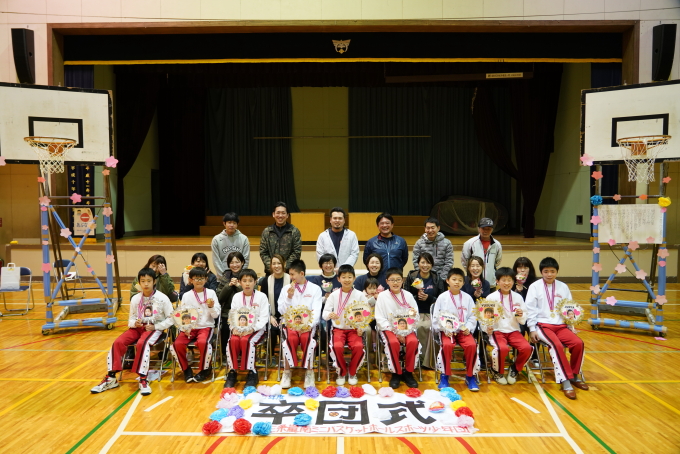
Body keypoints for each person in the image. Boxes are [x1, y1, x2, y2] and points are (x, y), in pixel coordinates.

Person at [91, 268, 174, 396]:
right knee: (118, 342)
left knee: (142, 343)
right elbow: (131, 318)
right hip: (137, 328)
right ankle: (111, 377)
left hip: (153, 328)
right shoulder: (135, 298)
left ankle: (143, 378)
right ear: (139, 282)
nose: (146, 284)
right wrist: (134, 323)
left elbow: (171, 318)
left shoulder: (162, 298)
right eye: (143, 281)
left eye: (149, 281)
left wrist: (156, 326)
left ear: (154, 281)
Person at [526, 257, 588, 400]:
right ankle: (565, 381)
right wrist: (532, 329)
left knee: (578, 343)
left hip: (561, 326)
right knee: (556, 346)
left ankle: (574, 375)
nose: (549, 274)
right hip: (542, 325)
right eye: (546, 271)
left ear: (557, 272)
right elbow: (530, 309)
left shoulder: (563, 287)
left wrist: (571, 325)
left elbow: (569, 307)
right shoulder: (534, 287)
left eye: (552, 271)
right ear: (541, 272)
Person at [432, 268, 480, 391]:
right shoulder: (442, 298)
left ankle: (470, 376)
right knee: (447, 345)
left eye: (460, 280)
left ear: (463, 283)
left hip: (463, 330)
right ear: (448, 281)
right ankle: (444, 375)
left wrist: (468, 327)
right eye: (454, 279)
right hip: (448, 331)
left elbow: (473, 316)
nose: (457, 282)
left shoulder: (468, 298)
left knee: (472, 345)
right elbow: (436, 317)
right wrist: (444, 328)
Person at [170, 267, 220, 383]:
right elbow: (183, 314)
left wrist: (211, 307)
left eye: (201, 278)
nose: (199, 281)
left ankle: (205, 369)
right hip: (190, 327)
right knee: (177, 344)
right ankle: (186, 369)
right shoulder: (186, 295)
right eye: (196, 278)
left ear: (206, 279)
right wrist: (185, 328)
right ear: (191, 280)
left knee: (203, 343)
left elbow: (216, 315)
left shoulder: (211, 293)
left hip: (206, 326)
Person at [277, 259, 322, 388]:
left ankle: (309, 372)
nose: (290, 277)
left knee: (306, 338)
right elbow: (281, 311)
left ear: (301, 273)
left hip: (307, 326)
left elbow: (317, 310)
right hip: (290, 324)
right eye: (290, 274)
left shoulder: (315, 289)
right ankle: (287, 371)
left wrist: (309, 325)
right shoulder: (286, 289)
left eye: (292, 274)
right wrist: (289, 297)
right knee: (290, 338)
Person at [485, 267, 533, 385]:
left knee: (527, 348)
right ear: (497, 281)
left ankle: (515, 368)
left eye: (509, 280)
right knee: (502, 348)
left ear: (514, 281)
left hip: (513, 330)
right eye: (503, 280)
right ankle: (496, 371)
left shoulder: (518, 297)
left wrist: (521, 315)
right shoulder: (491, 297)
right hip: (497, 330)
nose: (506, 283)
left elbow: (523, 319)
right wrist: (488, 327)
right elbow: (485, 317)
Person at [323, 264, 369, 386]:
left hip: (354, 329)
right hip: (338, 329)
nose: (347, 280)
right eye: (343, 277)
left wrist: (362, 328)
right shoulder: (334, 295)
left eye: (349, 277)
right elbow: (324, 313)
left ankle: (352, 372)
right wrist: (329, 314)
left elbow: (367, 314)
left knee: (359, 346)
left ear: (354, 278)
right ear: (338, 279)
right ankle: (342, 371)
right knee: (336, 346)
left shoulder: (360, 295)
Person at [375, 267, 421, 389]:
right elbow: (380, 318)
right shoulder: (382, 296)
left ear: (402, 281)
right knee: (393, 342)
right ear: (387, 281)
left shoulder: (408, 295)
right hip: (389, 328)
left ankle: (408, 372)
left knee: (413, 341)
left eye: (398, 279)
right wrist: (396, 332)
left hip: (407, 328)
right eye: (392, 280)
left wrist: (412, 315)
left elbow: (415, 314)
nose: (395, 282)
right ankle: (396, 373)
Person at [225, 269, 270, 388]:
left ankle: (252, 372)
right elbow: (232, 315)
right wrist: (233, 328)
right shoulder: (236, 297)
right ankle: (232, 371)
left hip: (256, 329)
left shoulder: (262, 296)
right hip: (239, 328)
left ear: (255, 282)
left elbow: (264, 317)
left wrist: (252, 329)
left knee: (247, 340)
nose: (247, 284)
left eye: (250, 281)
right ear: (240, 282)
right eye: (244, 281)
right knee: (232, 340)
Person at [404, 252, 445, 369]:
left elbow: (442, 299)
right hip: (414, 313)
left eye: (428, 263)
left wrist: (429, 298)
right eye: (422, 262)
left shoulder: (437, 278)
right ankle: (417, 359)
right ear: (418, 263)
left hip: (431, 313)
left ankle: (428, 362)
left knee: (431, 328)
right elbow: (405, 297)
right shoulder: (412, 277)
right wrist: (417, 297)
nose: (425, 265)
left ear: (432, 264)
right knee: (418, 327)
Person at [259, 254, 290, 357]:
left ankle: (285, 357)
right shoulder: (266, 281)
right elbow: (263, 302)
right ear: (271, 266)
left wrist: (285, 317)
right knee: (272, 331)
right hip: (271, 315)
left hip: (287, 316)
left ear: (284, 264)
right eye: (274, 264)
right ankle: (271, 357)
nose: (276, 266)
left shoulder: (291, 280)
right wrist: (269, 316)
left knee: (284, 331)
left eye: (279, 263)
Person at [260, 202, 302, 274]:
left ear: (287, 215)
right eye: (278, 213)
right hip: (271, 272)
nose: (280, 215)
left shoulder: (294, 231)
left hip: (288, 272)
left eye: (283, 213)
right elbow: (263, 252)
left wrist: (284, 267)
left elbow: (296, 252)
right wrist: (273, 266)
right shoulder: (267, 231)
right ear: (273, 214)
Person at [460, 217, 503, 289]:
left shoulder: (497, 245)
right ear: (478, 228)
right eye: (483, 228)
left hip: (491, 283)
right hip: (473, 282)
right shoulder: (469, 243)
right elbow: (465, 261)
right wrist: (473, 273)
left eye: (488, 229)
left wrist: (492, 273)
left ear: (492, 229)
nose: (485, 231)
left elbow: (497, 262)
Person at [513, 257, 539, 365]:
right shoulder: (511, 282)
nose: (522, 270)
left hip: (532, 314)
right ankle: (518, 354)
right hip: (518, 314)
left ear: (530, 269)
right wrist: (517, 291)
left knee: (536, 329)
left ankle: (534, 356)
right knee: (519, 329)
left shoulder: (536, 284)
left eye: (525, 267)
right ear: (516, 269)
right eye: (520, 267)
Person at [217, 251, 245, 350]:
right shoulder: (225, 277)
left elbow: (251, 295)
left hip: (245, 312)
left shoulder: (247, 275)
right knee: (225, 328)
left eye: (237, 262)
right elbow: (219, 298)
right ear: (228, 264)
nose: (234, 265)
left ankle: (242, 351)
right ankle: (225, 353)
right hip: (227, 313)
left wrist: (238, 286)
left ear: (242, 262)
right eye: (232, 263)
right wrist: (228, 286)